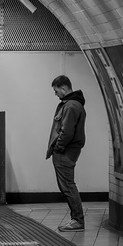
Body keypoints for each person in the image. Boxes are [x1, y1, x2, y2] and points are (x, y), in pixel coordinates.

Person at [46, 75, 86, 231]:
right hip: (67, 151)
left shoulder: (71, 106)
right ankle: (76, 219)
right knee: (67, 186)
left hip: (65, 152)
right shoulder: (71, 104)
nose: (56, 94)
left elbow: (67, 131)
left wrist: (58, 148)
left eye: (56, 91)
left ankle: (78, 220)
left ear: (63, 88)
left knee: (68, 186)